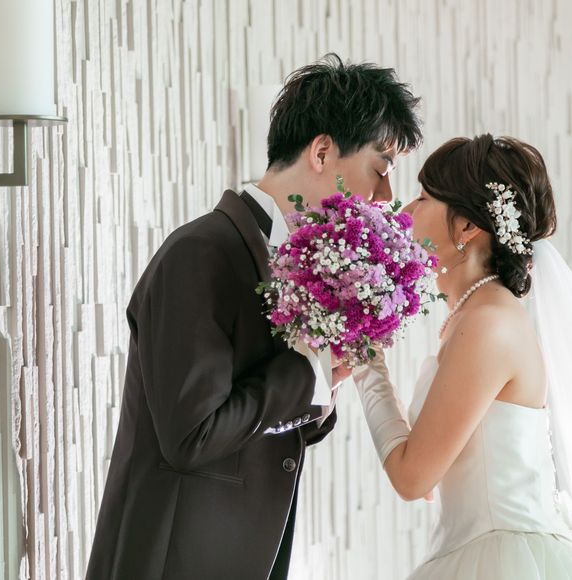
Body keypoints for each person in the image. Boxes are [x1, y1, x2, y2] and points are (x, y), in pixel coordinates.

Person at [85, 53, 422, 580]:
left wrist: (326, 381)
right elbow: (192, 436)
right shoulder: (200, 252)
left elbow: (265, 428)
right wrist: (308, 372)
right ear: (322, 151)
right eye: (379, 170)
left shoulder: (301, 269)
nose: (385, 197)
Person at [351, 134, 572, 578]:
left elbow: (413, 478)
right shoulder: (475, 316)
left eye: (423, 198)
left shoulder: (488, 323)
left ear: (467, 226)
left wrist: (363, 358)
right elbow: (433, 476)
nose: (406, 210)